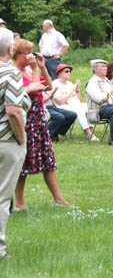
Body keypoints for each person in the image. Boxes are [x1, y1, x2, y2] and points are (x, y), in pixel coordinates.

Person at [12, 39, 70, 210]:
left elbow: (48, 87)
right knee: (23, 162)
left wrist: (42, 67)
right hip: (26, 120)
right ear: (18, 55)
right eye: (27, 53)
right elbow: (36, 89)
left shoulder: (30, 70)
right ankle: (19, 203)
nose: (31, 56)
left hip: (39, 119)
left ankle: (59, 199)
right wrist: (35, 69)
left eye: (32, 52)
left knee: (48, 159)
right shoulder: (14, 73)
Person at [0, 28, 30, 260]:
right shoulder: (11, 73)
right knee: (2, 197)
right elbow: (13, 111)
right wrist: (21, 138)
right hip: (6, 141)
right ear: (11, 49)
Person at [51, 64, 98, 140]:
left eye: (70, 71)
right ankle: (88, 134)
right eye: (66, 71)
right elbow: (60, 102)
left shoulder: (69, 83)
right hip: (60, 107)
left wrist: (77, 90)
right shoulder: (55, 84)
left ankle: (91, 131)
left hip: (73, 105)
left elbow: (79, 100)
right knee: (78, 110)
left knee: (89, 106)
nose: (69, 73)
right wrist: (72, 90)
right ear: (59, 73)